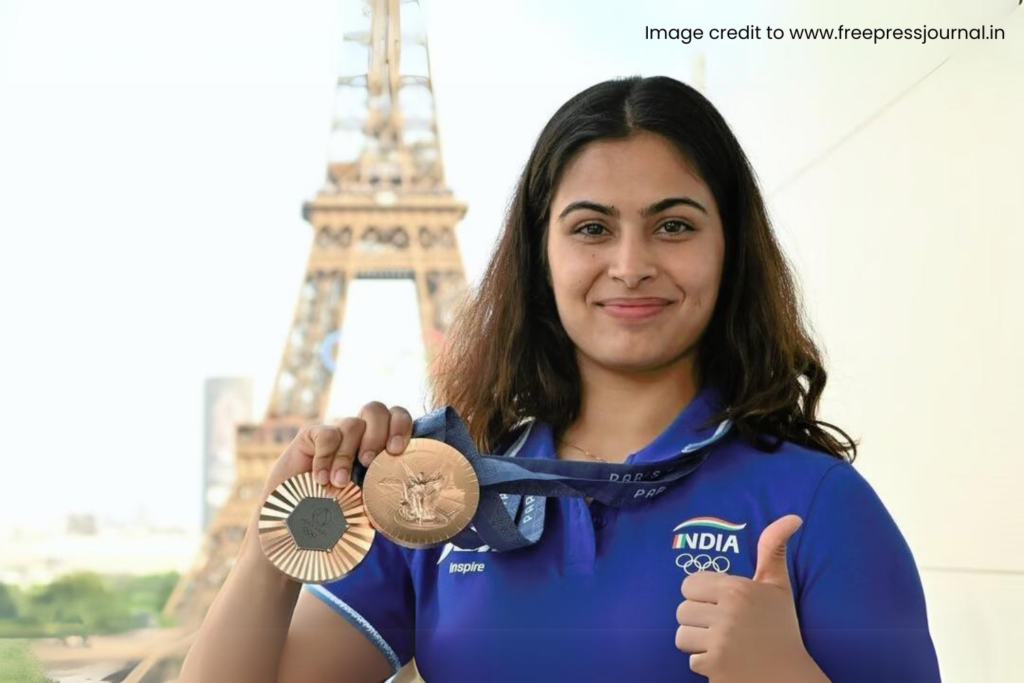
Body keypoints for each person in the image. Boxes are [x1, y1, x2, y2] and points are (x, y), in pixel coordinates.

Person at [179, 75, 942, 683]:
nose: (632, 263)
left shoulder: (819, 506)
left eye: (673, 224)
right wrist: (276, 540)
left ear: (729, 250)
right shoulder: (437, 492)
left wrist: (787, 680)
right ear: (539, 258)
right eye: (591, 227)